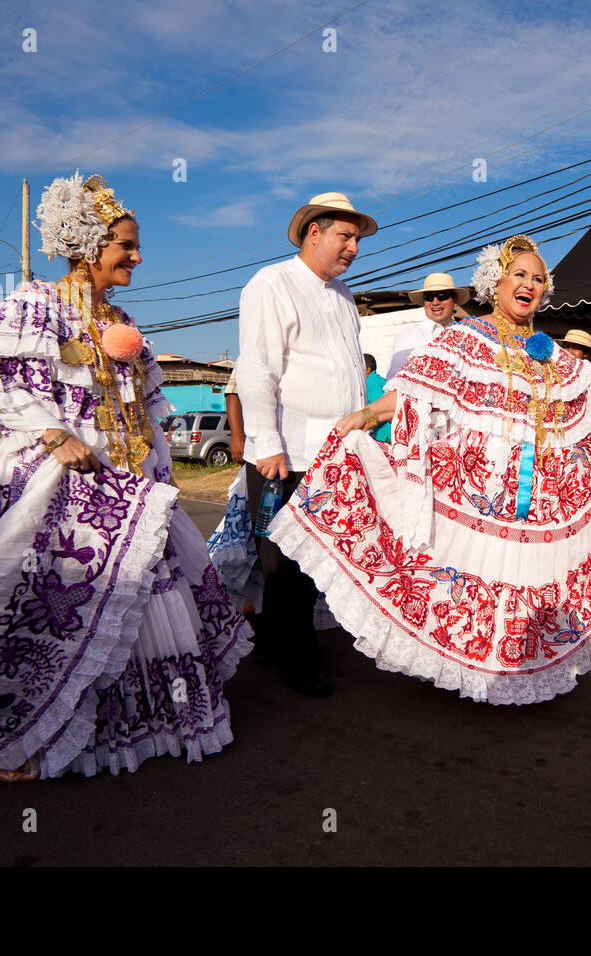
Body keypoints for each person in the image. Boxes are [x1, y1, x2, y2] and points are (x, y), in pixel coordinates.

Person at [267, 234, 591, 705]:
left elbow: (588, 391)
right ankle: (459, 672)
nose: (529, 285)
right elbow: (416, 395)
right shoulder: (462, 338)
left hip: (530, 502)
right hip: (471, 492)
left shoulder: (546, 350)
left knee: (521, 585)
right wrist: (366, 416)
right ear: (497, 282)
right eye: (520, 275)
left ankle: (506, 677)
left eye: (538, 279)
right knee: (457, 580)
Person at [0, 172, 251, 781]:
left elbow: (143, 410)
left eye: (134, 245)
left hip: (130, 490)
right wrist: (54, 434)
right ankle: (21, 737)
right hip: (64, 487)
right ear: (86, 246)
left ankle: (138, 726)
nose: (136, 256)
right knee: (44, 602)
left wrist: (157, 468)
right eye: (125, 246)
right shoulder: (33, 305)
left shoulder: (121, 317)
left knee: (133, 598)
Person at [235, 191, 377, 697]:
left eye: (356, 238)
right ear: (313, 232)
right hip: (285, 455)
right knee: (284, 563)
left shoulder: (342, 295)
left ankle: (278, 641)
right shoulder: (272, 283)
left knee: (316, 558)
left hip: (332, 455)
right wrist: (267, 443)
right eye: (345, 236)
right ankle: (296, 662)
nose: (353, 248)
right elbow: (256, 369)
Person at [386, 272, 470, 381]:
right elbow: (394, 380)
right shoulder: (409, 334)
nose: (435, 302)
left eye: (442, 296)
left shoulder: (467, 334)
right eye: (429, 297)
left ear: (455, 301)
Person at [363, 354, 392, 441]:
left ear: (367, 370)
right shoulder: (378, 380)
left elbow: (382, 407)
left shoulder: (370, 383)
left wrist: (366, 426)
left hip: (384, 433)